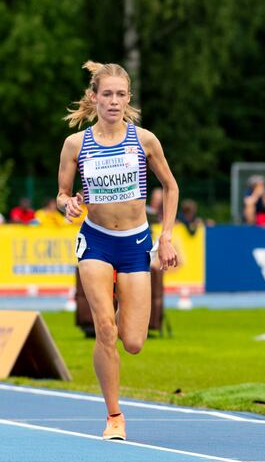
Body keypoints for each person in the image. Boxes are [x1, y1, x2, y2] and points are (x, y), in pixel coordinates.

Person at [57, 61, 178, 441]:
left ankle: (124, 308)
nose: (112, 101)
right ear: (94, 98)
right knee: (104, 329)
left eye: (119, 94)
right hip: (95, 240)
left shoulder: (144, 140)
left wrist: (167, 236)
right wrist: (68, 204)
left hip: (135, 243)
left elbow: (171, 187)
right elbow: (61, 194)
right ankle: (114, 416)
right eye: (106, 94)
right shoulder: (76, 144)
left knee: (134, 341)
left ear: (128, 99)